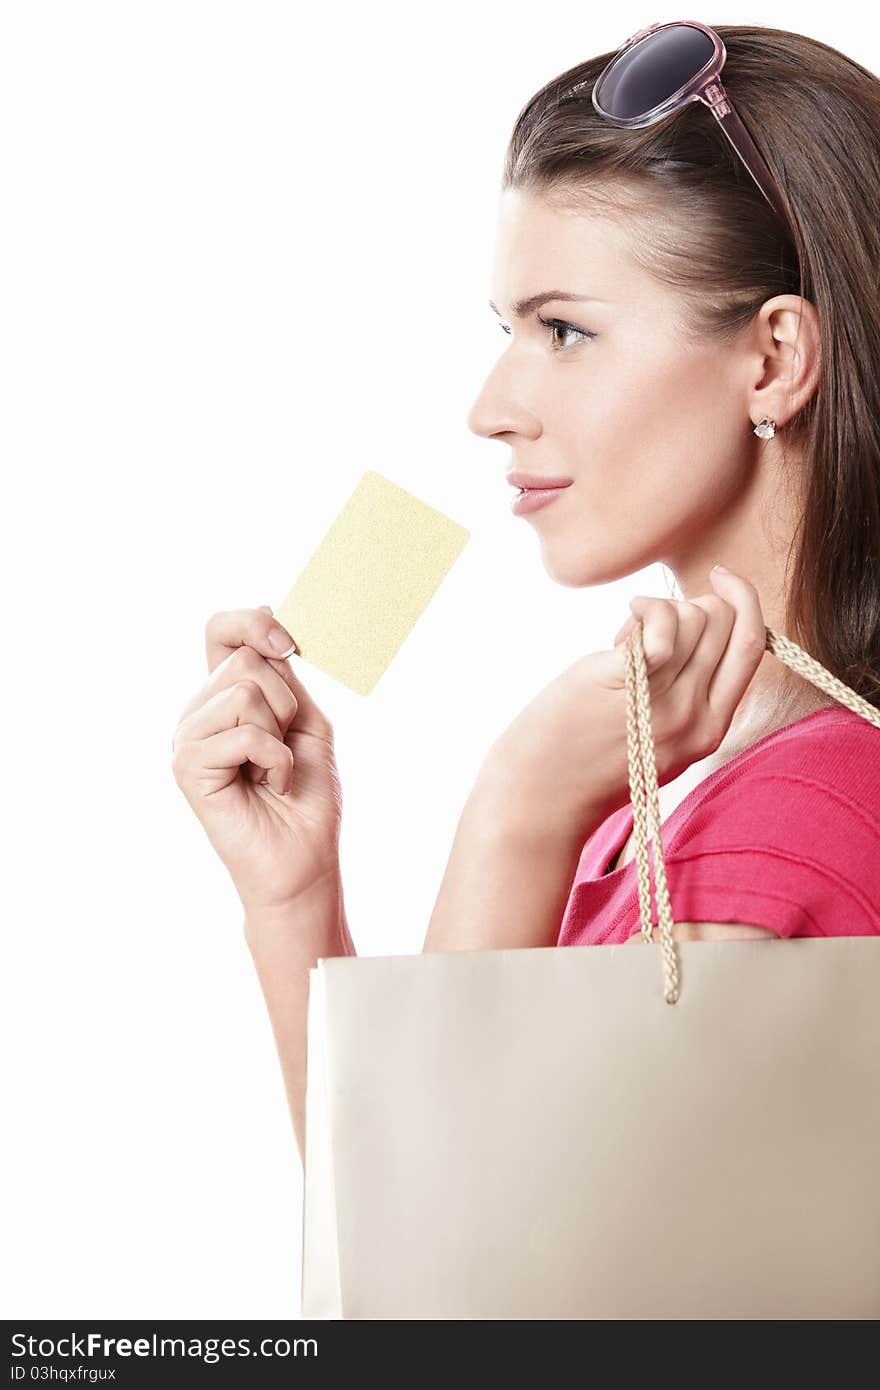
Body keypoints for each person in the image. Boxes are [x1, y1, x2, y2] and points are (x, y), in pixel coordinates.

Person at [171, 23, 880, 1165]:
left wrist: (516, 808)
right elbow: (396, 1228)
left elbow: (436, 1317)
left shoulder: (788, 834)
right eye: (509, 331)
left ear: (773, 359)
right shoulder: (686, 790)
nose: (491, 405)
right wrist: (294, 895)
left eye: (563, 329)